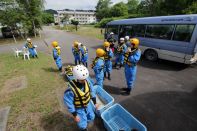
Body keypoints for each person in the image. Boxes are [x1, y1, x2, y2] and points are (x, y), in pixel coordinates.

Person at [64, 65, 98, 131]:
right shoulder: (71, 90)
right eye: (82, 80)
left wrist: (95, 102)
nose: (84, 81)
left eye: (85, 78)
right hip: (79, 108)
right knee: (82, 124)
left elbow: (92, 91)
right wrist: (75, 115)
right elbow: (69, 103)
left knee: (92, 117)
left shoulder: (86, 81)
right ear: (76, 78)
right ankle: (84, 128)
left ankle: (86, 121)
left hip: (88, 105)